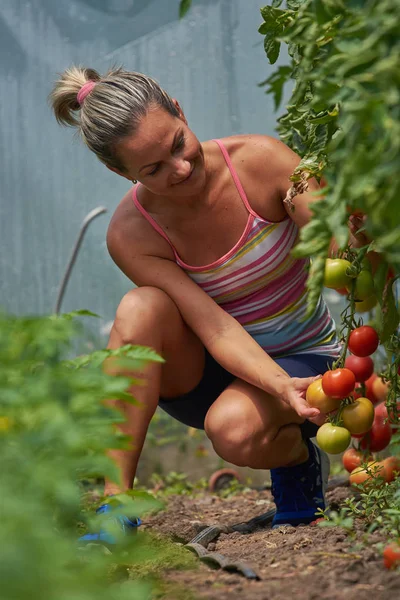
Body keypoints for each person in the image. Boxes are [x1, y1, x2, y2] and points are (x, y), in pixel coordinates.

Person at [49, 66, 365, 540]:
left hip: (304, 351)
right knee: (140, 307)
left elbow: (345, 269)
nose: (179, 169)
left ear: (179, 109)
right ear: (120, 172)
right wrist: (280, 388)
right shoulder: (132, 234)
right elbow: (213, 327)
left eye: (178, 143)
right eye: (152, 169)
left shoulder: (261, 163)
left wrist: (356, 222)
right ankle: (117, 508)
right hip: (211, 368)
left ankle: (297, 456)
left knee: (235, 432)